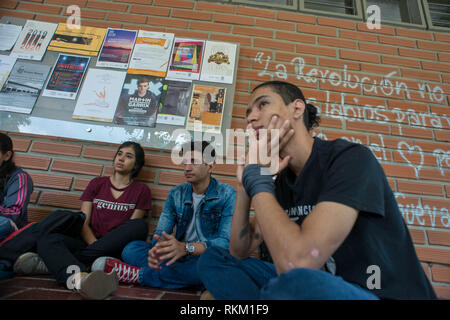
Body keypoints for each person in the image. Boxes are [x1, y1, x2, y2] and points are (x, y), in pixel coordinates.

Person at [197, 80, 437, 300]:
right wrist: (246, 184)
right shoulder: (276, 178)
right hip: (312, 284)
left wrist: (257, 177)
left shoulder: (349, 159)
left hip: (374, 294)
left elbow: (298, 263)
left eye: (263, 104)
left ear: (297, 109)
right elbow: (239, 250)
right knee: (214, 259)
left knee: (292, 282)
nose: (251, 118)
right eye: (248, 113)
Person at [13, 141, 152, 299]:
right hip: (88, 243)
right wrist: (95, 246)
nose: (121, 159)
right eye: (119, 154)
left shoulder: (142, 190)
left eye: (128, 156)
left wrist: (101, 247)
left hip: (115, 248)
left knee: (139, 226)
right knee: (49, 238)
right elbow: (84, 220)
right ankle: (81, 278)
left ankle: (53, 263)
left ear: (136, 165)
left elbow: (131, 229)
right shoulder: (97, 184)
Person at [91, 141, 236, 290]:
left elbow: (224, 243)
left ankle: (138, 275)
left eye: (194, 162)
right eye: (185, 162)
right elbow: (161, 231)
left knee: (216, 266)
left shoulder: (227, 194)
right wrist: (158, 250)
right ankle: (184, 279)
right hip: (175, 255)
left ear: (210, 166)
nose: (187, 167)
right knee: (131, 249)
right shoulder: (176, 193)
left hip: (203, 256)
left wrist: (186, 248)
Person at [0, 133, 33, 242]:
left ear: (7, 156)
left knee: (3, 223)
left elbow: (15, 213)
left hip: (10, 231)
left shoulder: (19, 178)